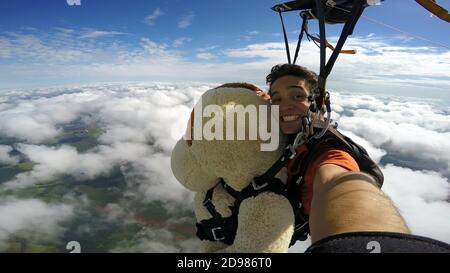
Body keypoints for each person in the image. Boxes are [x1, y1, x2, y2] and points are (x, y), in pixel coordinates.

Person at [266, 63, 450, 253]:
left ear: (316, 103)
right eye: (276, 99)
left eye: (298, 96)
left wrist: (365, 244)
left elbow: (337, 181)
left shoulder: (328, 153)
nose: (285, 106)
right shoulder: (282, 139)